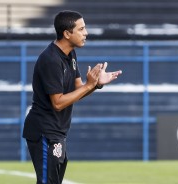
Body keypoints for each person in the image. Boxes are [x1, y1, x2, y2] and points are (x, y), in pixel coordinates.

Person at [22, 10, 122, 184]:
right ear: (67, 34)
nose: (86, 33)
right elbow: (58, 103)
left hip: (57, 133)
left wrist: (96, 84)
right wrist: (90, 85)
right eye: (81, 29)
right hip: (44, 133)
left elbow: (78, 90)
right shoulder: (51, 60)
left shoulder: (70, 55)